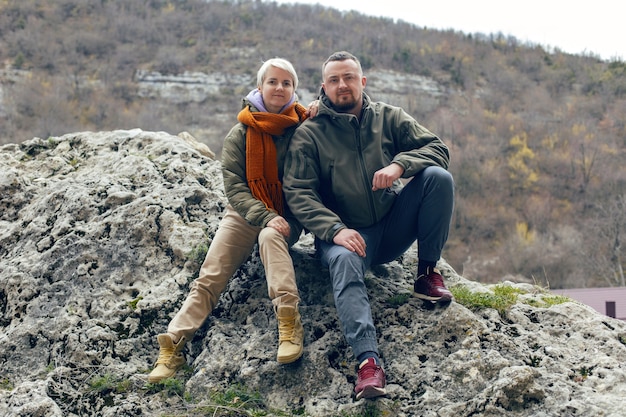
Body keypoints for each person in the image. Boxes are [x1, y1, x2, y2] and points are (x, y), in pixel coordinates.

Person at [283, 51, 455, 400]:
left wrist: (400, 166)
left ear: (362, 81)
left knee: (438, 178)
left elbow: (437, 148)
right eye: (334, 80)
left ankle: (426, 275)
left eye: (349, 77)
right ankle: (368, 364)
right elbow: (298, 193)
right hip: (343, 237)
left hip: (390, 227)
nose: (342, 85)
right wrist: (335, 230)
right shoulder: (310, 134)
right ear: (323, 87)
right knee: (345, 261)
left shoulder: (388, 117)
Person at [148, 58, 310, 383]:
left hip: (287, 213)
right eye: (272, 82)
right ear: (260, 86)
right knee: (210, 276)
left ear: (294, 90)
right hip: (245, 212)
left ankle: (289, 323)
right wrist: (263, 214)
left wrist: (278, 218)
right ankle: (173, 347)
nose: (279, 88)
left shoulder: (306, 128)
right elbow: (235, 187)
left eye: (286, 83)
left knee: (270, 238)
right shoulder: (241, 132)